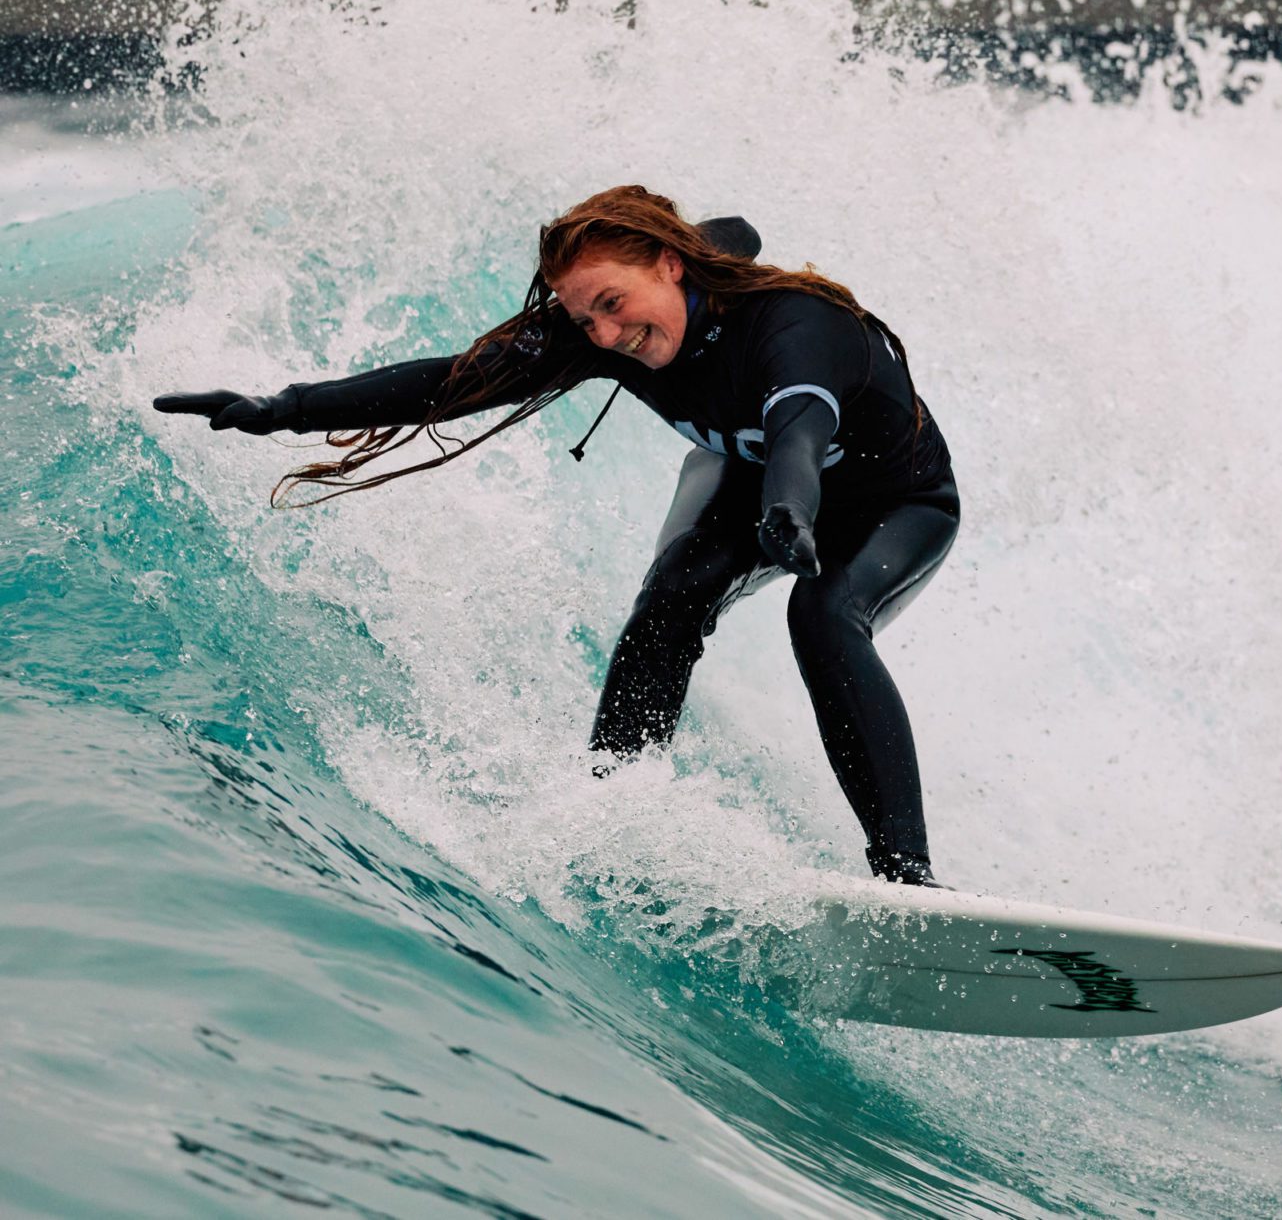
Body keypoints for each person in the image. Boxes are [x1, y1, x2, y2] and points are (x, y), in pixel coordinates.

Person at [154, 186, 957, 886]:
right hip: (746, 477)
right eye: (585, 318)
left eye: (612, 304)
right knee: (669, 602)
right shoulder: (610, 327)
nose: (603, 336)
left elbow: (798, 430)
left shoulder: (796, 324)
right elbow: (452, 380)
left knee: (821, 617)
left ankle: (907, 878)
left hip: (895, 499)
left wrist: (791, 507)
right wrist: (283, 408)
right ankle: (615, 816)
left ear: (671, 264)